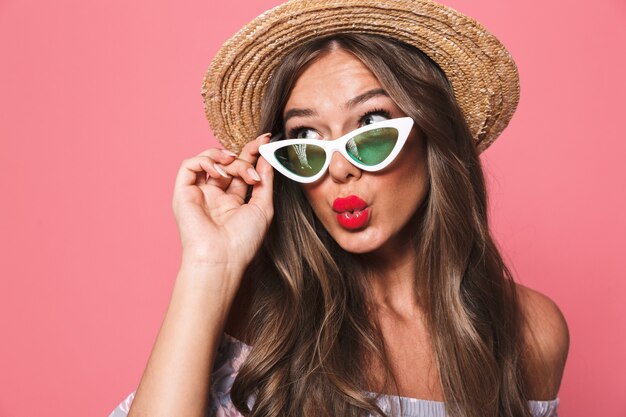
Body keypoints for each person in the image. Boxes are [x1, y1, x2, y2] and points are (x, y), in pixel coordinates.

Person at [109, 1, 569, 416]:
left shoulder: (531, 333)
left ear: (433, 135)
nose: (339, 169)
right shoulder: (254, 315)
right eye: (308, 139)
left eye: (370, 125)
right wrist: (209, 265)